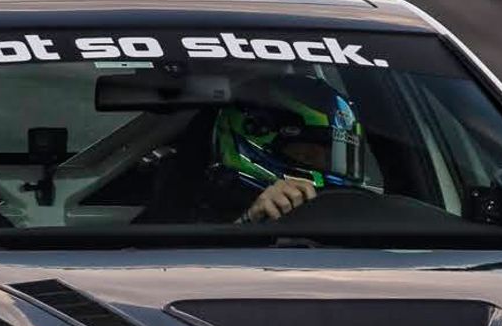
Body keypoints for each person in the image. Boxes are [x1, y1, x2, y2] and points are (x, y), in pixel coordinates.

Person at [146, 77, 368, 225]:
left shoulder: (371, 219)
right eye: (307, 155)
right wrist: (249, 222)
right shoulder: (183, 210)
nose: (323, 165)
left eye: (332, 157)